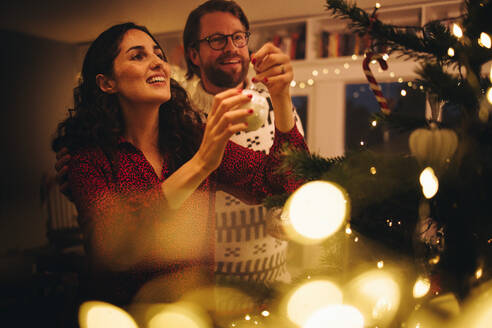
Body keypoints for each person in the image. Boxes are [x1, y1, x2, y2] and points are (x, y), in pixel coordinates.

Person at [52, 22, 307, 306]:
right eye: (138, 56)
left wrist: (281, 96)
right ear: (106, 83)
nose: (158, 63)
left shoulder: (191, 139)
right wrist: (200, 165)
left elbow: (283, 184)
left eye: (158, 54)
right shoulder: (86, 157)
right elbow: (115, 252)